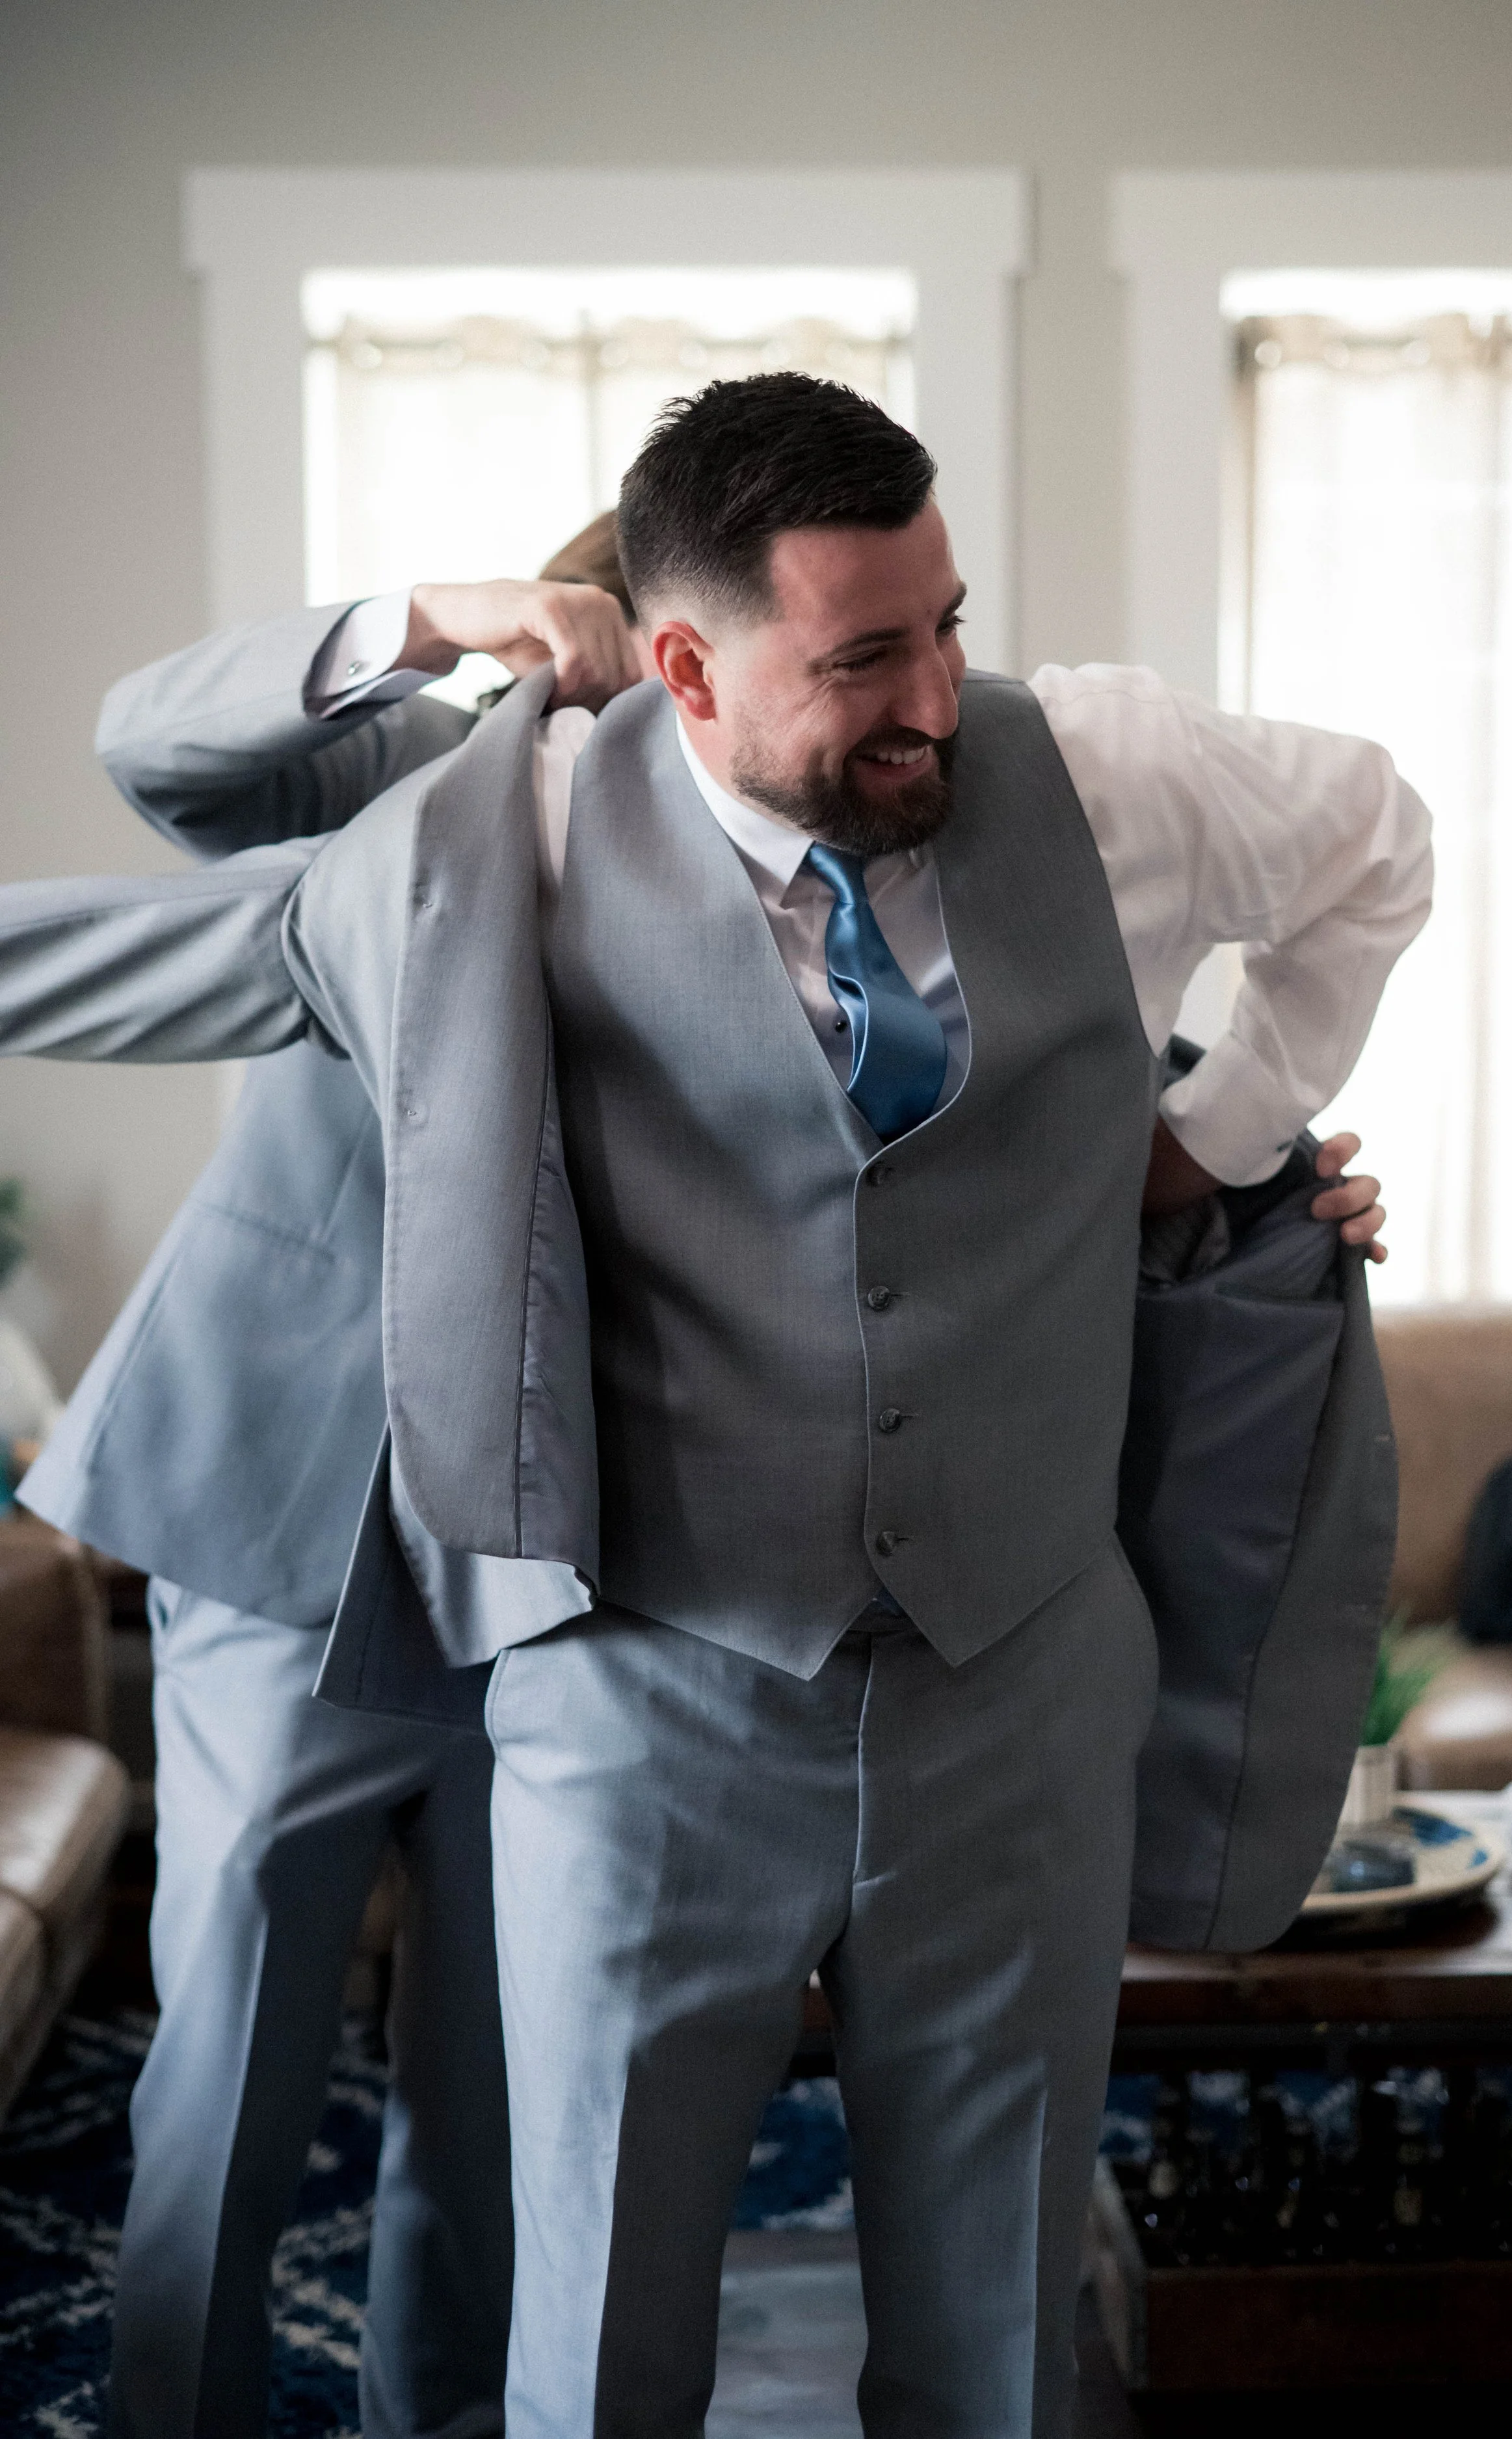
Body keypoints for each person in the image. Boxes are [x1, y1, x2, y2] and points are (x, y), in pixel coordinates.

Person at [0, 375, 1426, 2436]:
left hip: (955, 1657)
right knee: (274, 2056)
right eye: (864, 656)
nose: (934, 688)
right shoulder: (479, 818)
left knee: (569, 2156)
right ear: (670, 667)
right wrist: (437, 621)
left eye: (944, 623)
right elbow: (152, 860)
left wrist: (1224, 1132)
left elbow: (1331, 866)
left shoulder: (1074, 774)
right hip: (428, 1557)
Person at [16, 523, 639, 2439]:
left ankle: (437, 2417)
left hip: (553, 1570)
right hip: (283, 1518)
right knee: (230, 2035)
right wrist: (438, 617)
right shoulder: (414, 788)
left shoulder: (785, 877)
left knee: (500, 2062)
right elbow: (156, 745)